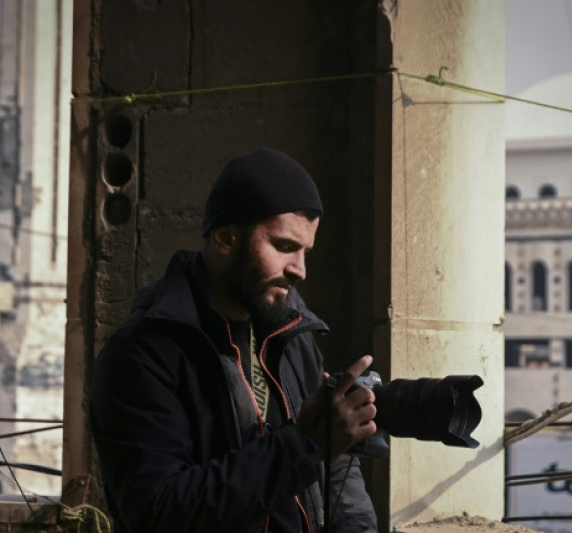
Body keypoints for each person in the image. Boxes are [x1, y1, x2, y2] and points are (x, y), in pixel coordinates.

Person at [90, 147, 379, 533]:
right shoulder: (142, 354)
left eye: (306, 251)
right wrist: (303, 445)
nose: (301, 270)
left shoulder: (292, 335)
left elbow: (337, 465)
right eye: (284, 246)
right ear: (226, 237)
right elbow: (159, 513)